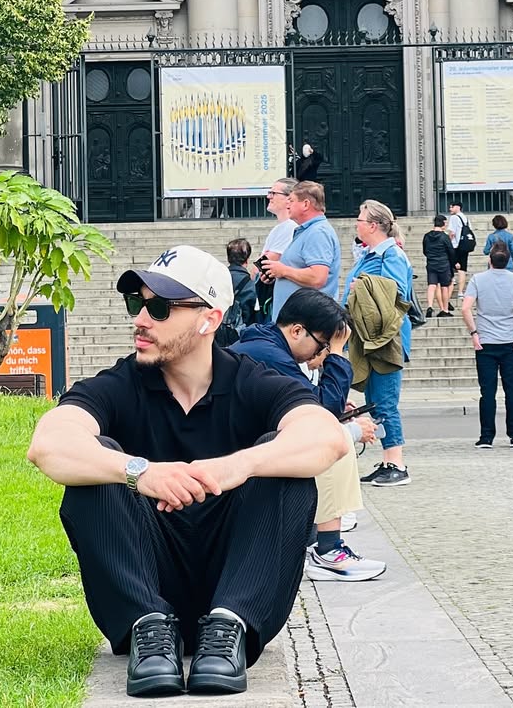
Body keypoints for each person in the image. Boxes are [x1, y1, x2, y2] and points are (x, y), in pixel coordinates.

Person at [27, 245, 345, 698]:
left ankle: (230, 625)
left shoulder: (251, 380)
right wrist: (139, 472)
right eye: (137, 304)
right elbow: (49, 444)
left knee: (284, 466)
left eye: (159, 308)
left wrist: (238, 465)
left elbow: (327, 437)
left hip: (240, 582)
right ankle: (148, 626)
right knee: (97, 467)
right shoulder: (121, 384)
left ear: (209, 319)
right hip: (147, 586)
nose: (141, 320)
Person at [231, 288, 386, 582]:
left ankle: (320, 541)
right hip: (237, 458)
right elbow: (322, 410)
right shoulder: (270, 356)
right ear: (297, 331)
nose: (320, 354)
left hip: (242, 448)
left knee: (330, 432)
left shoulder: (264, 346)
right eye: (322, 345)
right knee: (332, 437)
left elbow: (310, 402)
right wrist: (337, 354)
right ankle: (327, 549)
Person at [344, 200, 414, 487]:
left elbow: (397, 293)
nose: (356, 223)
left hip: (386, 339)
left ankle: (397, 463)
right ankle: (388, 461)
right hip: (371, 338)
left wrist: (361, 286)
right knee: (375, 401)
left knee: (385, 401)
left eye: (360, 219)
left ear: (373, 225)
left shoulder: (391, 254)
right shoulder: (372, 254)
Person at [462, 245, 513, 447]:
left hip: (485, 341)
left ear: (489, 260)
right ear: (508, 261)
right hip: (510, 340)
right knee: (512, 391)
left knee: (487, 392)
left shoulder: (478, 279)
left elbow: (465, 308)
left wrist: (474, 332)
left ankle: (486, 436)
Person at [261, 180, 341, 321]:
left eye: (291, 200)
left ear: (305, 204)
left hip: (306, 321)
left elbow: (317, 278)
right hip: (296, 320)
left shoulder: (318, 232)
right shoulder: (307, 231)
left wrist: (283, 271)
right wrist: (276, 274)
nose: (287, 204)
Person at [257, 176, 297, 319]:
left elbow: (267, 262)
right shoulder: (279, 228)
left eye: (273, 193)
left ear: (288, 199)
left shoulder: (290, 227)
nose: (269, 196)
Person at [221, 237, 257, 344]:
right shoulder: (250, 284)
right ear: (247, 259)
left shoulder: (218, 278)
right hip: (241, 337)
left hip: (218, 334)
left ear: (228, 258)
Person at [422, 214, 455, 316]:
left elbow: (425, 250)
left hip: (431, 263)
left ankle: (430, 306)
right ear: (443, 223)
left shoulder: (427, 236)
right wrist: (453, 262)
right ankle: (445, 309)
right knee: (444, 287)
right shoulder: (444, 237)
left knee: (432, 285)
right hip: (443, 263)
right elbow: (451, 251)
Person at [446, 200, 475, 299]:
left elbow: (452, 233)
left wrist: (448, 242)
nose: (450, 209)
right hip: (464, 246)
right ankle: (460, 292)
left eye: (452, 207)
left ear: (457, 207)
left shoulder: (454, 217)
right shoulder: (465, 217)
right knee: (462, 269)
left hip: (455, 245)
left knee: (451, 265)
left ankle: (452, 281)